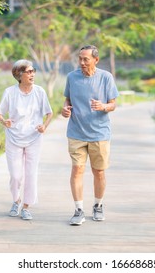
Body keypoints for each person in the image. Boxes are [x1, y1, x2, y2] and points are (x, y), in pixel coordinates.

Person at [62, 45, 119, 225]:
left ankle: (98, 205)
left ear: (96, 59)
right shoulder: (72, 77)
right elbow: (67, 99)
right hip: (76, 132)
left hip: (99, 133)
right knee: (77, 169)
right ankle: (79, 210)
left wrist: (103, 107)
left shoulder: (106, 78)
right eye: (80, 58)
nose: (82, 62)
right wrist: (65, 109)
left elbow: (113, 104)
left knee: (99, 172)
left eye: (86, 59)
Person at [0, 59, 53, 220]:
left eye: (33, 71)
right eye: (28, 72)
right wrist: (4, 121)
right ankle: (16, 201)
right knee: (15, 175)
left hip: (34, 138)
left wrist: (44, 127)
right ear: (19, 74)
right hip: (14, 137)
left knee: (31, 174)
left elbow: (49, 113)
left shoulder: (40, 92)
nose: (32, 74)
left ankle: (26, 207)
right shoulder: (9, 92)